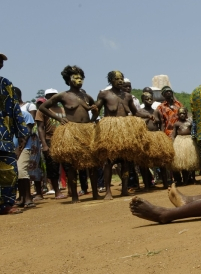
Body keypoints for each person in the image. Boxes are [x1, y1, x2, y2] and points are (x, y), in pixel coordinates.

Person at [39, 65, 100, 203]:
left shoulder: (87, 96)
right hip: (72, 130)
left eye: (80, 78)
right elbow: (43, 107)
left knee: (93, 162)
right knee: (72, 164)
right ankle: (74, 196)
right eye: (75, 77)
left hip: (88, 130)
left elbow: (94, 114)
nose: (79, 80)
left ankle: (95, 192)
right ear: (68, 79)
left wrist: (95, 114)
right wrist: (59, 118)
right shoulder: (63, 95)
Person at [95, 70, 152, 200]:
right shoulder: (104, 94)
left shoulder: (127, 96)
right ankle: (108, 191)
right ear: (110, 80)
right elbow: (97, 107)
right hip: (111, 130)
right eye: (117, 78)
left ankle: (124, 189)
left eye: (121, 78)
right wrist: (94, 109)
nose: (120, 81)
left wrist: (148, 115)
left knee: (126, 162)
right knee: (109, 161)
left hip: (125, 131)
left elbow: (136, 112)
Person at [0, 53, 30, 215]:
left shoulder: (6, 84)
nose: (0, 63)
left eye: (1, 61)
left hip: (4, 137)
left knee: (10, 172)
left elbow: (15, 110)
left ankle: (6, 204)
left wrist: (22, 134)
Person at [138, 91, 169, 190]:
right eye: (147, 99)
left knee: (161, 161)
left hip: (157, 137)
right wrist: (147, 119)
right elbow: (139, 125)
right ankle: (147, 185)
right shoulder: (140, 112)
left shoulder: (156, 111)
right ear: (142, 100)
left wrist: (162, 133)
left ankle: (165, 183)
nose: (149, 100)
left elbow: (162, 123)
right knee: (145, 162)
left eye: (151, 98)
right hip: (146, 137)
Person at [171, 107, 199, 185]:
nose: (182, 115)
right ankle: (185, 180)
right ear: (178, 115)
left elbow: (193, 132)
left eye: (183, 113)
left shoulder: (189, 123)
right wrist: (173, 143)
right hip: (180, 142)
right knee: (183, 162)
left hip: (189, 141)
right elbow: (173, 134)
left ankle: (193, 178)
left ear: (186, 114)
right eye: (180, 113)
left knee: (191, 161)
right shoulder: (177, 124)